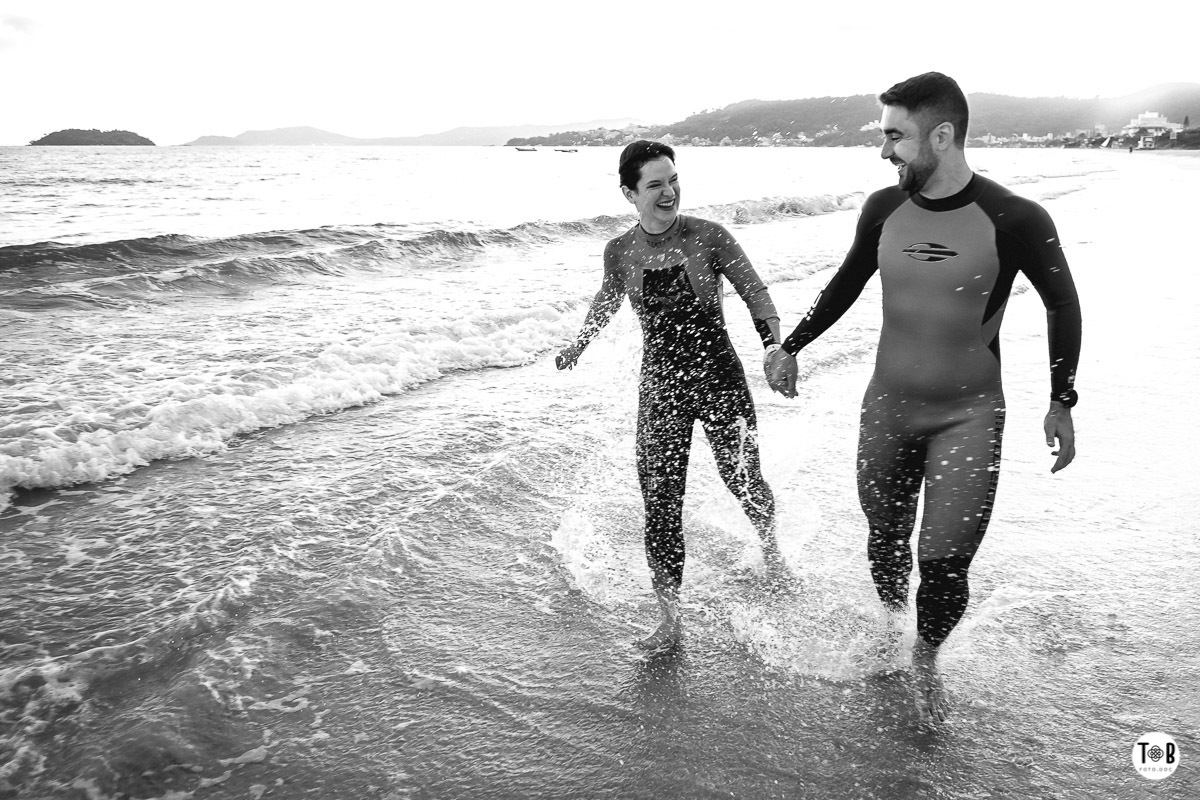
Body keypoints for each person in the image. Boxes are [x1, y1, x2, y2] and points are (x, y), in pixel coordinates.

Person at [768, 72, 1082, 721]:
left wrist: (1062, 401)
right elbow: (846, 282)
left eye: (896, 137)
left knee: (943, 564)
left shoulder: (1015, 218)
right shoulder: (883, 209)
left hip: (968, 415)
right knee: (885, 539)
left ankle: (924, 662)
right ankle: (891, 626)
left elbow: (1063, 305)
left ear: (941, 136)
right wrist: (791, 345)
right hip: (888, 408)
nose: (885, 150)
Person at [557, 140, 788, 652]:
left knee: (743, 478)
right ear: (630, 194)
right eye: (655, 184)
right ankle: (670, 620)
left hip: (719, 380)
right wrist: (579, 343)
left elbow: (754, 291)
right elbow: (606, 299)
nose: (669, 192)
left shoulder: (709, 236)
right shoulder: (620, 251)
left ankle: (772, 549)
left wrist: (774, 345)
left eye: (673, 180)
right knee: (660, 501)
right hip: (662, 388)